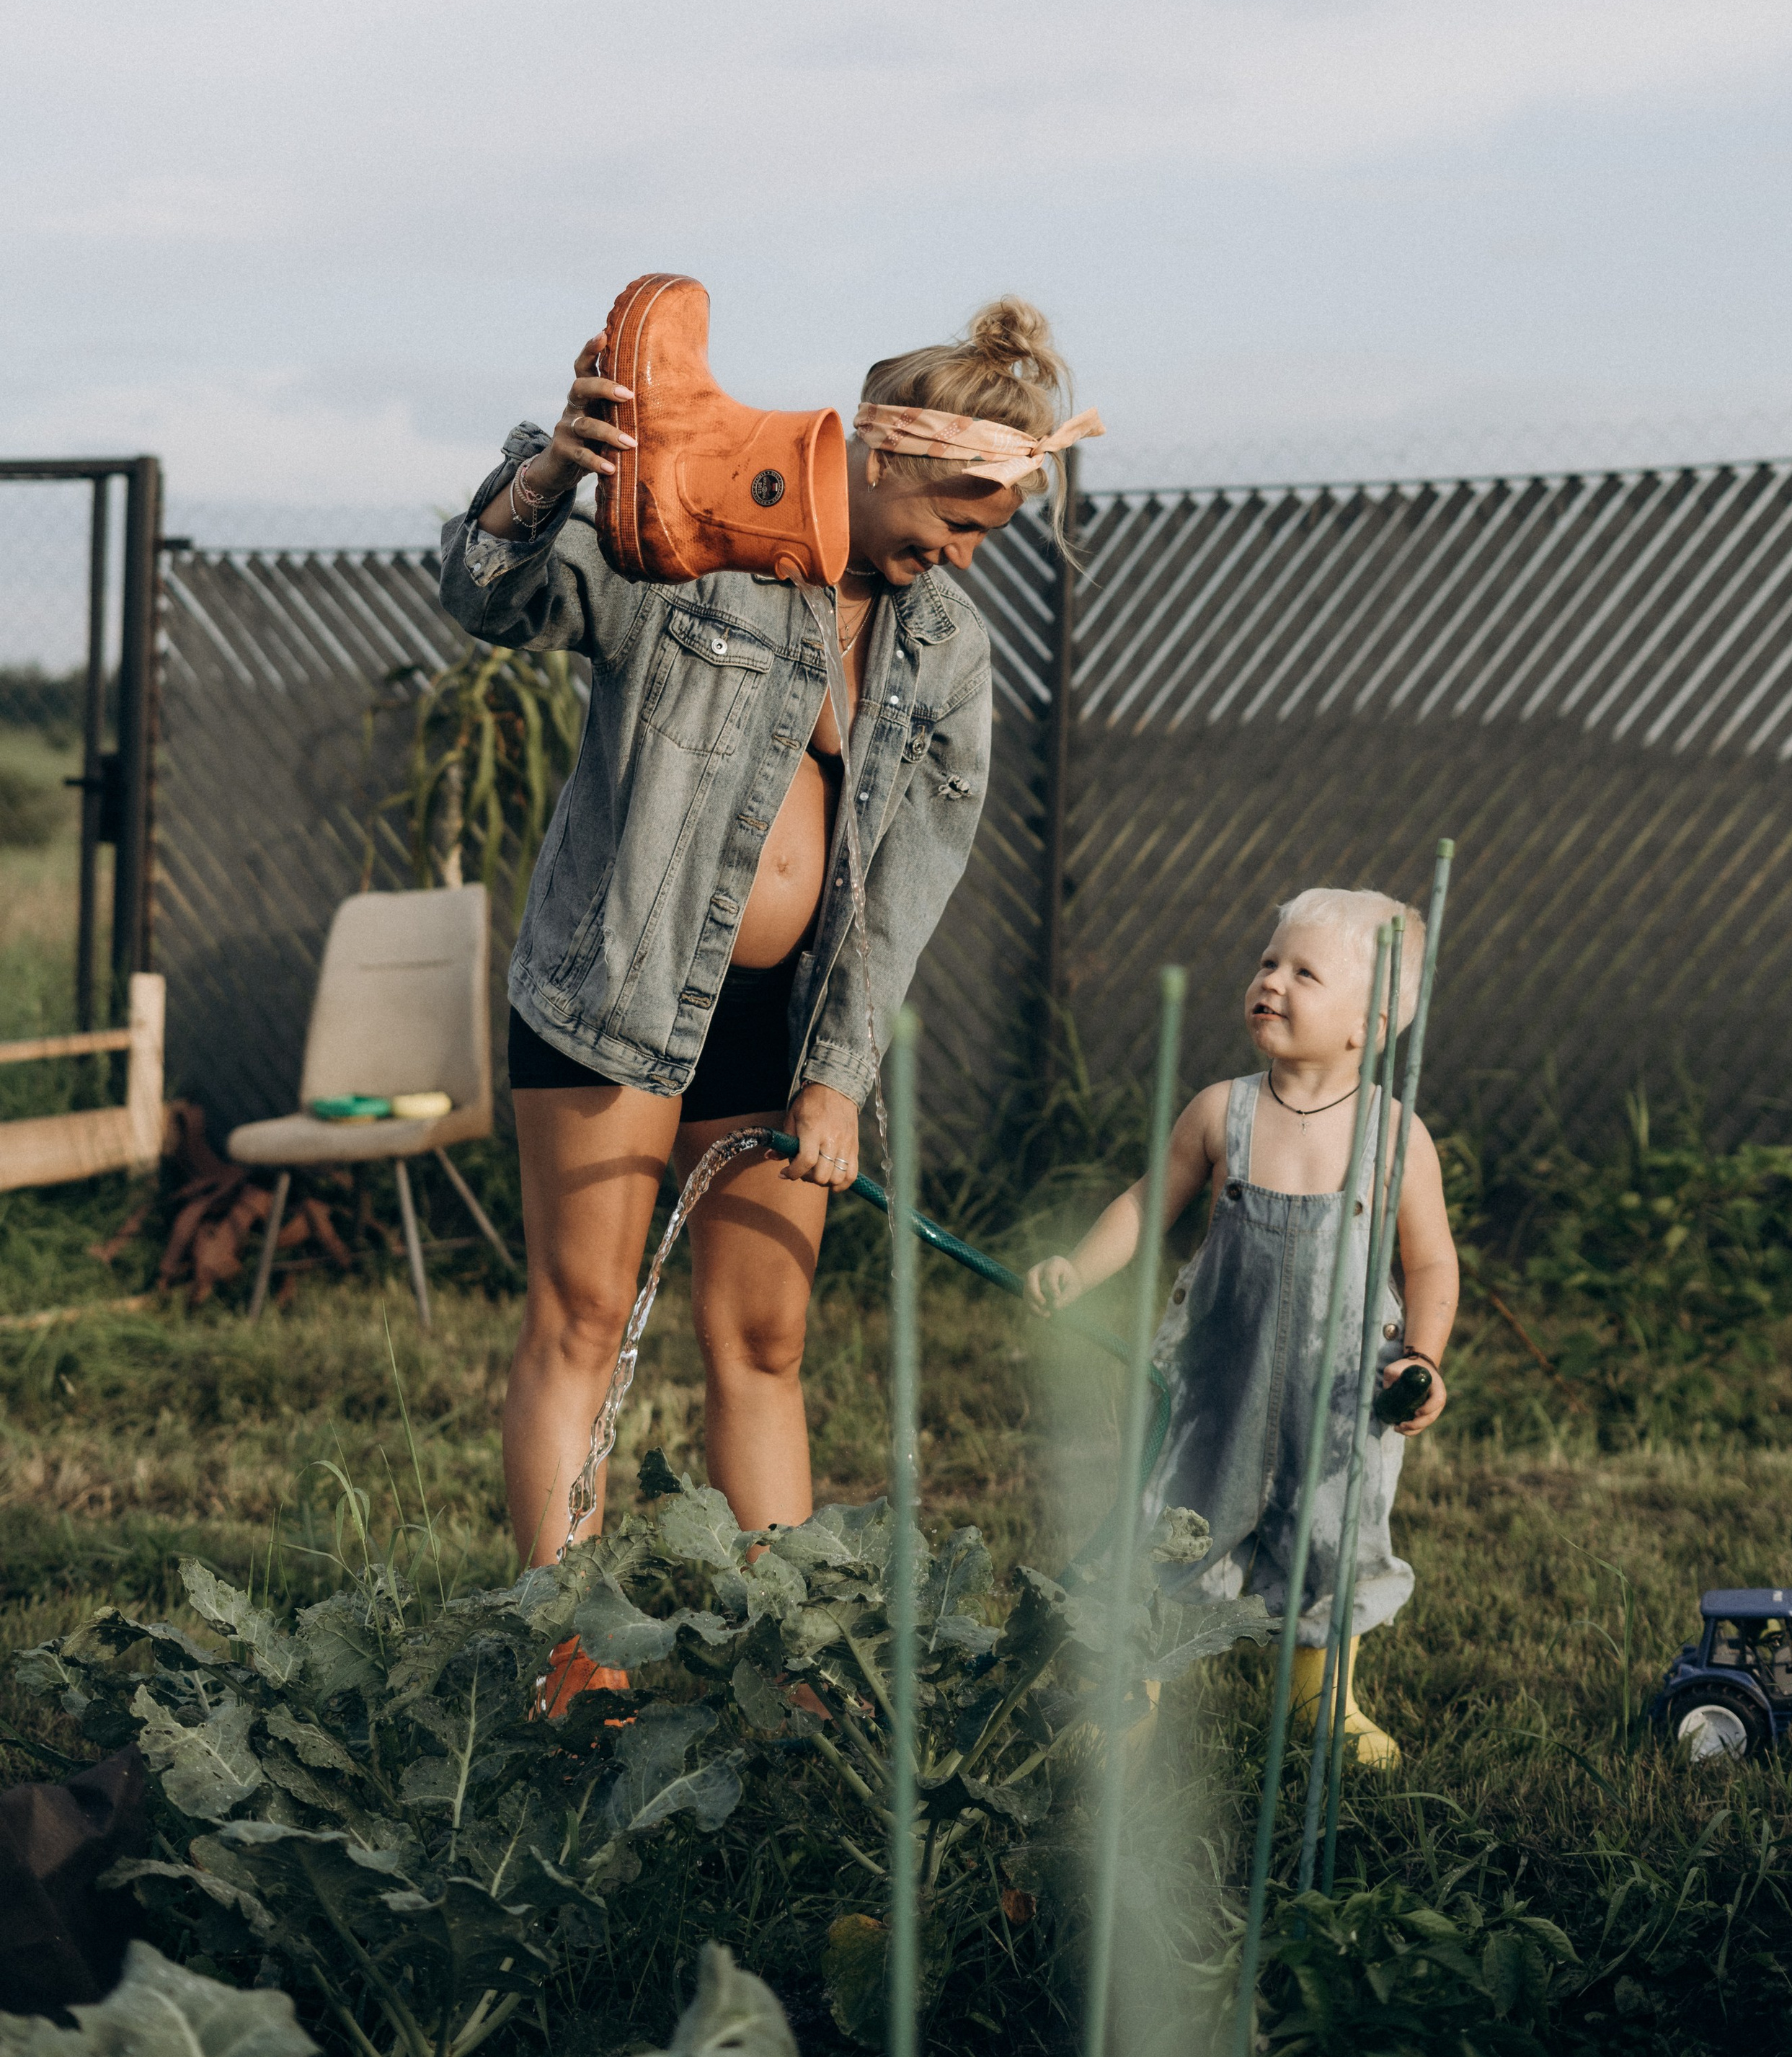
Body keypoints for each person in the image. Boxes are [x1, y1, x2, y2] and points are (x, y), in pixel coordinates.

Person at [439, 294, 1101, 1566]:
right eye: (959, 522)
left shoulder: (950, 647)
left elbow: (913, 879)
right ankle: (565, 1661)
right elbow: (494, 599)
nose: (964, 557)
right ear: (888, 458)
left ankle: (785, 1667)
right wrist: (543, 480)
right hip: (615, 991)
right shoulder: (697, 536)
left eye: (989, 536)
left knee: (764, 1344)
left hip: (785, 1026)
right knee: (581, 1320)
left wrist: (839, 1075)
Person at [1023, 888, 1458, 1766]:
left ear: (1366, 1026)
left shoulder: (1393, 1135)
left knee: (1328, 1538)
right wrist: (1081, 1266)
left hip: (1338, 1396)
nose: (1272, 982)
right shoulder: (1223, 1111)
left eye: (1305, 972)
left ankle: (1320, 1701)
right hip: (1215, 1380)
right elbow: (1148, 1204)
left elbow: (1432, 1262)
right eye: (1268, 962)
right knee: (1173, 1519)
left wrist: (1424, 1358)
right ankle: (1133, 1691)